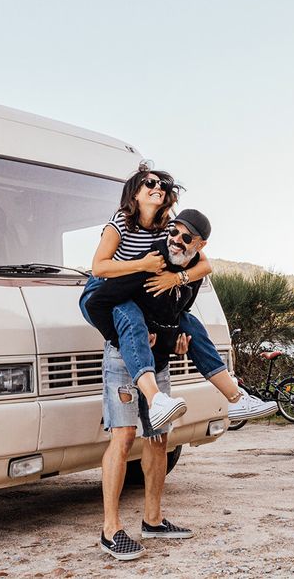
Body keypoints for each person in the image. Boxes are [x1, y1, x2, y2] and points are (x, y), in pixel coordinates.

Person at [78, 166, 275, 432]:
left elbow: (203, 266)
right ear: (134, 193)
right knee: (132, 319)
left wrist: (176, 279)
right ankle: (154, 398)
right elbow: (100, 267)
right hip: (103, 288)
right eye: (149, 183)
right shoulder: (120, 223)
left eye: (162, 185)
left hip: (131, 288)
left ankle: (237, 399)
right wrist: (143, 264)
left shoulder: (167, 225)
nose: (157, 187)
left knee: (190, 324)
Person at [94, 215, 212, 560]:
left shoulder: (189, 278)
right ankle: (110, 529)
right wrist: (122, 336)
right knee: (124, 436)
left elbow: (174, 320)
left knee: (159, 438)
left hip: (158, 362)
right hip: (121, 358)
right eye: (172, 231)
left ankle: (153, 520)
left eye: (185, 236)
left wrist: (177, 342)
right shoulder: (149, 258)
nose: (176, 239)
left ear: (198, 244)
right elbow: (101, 302)